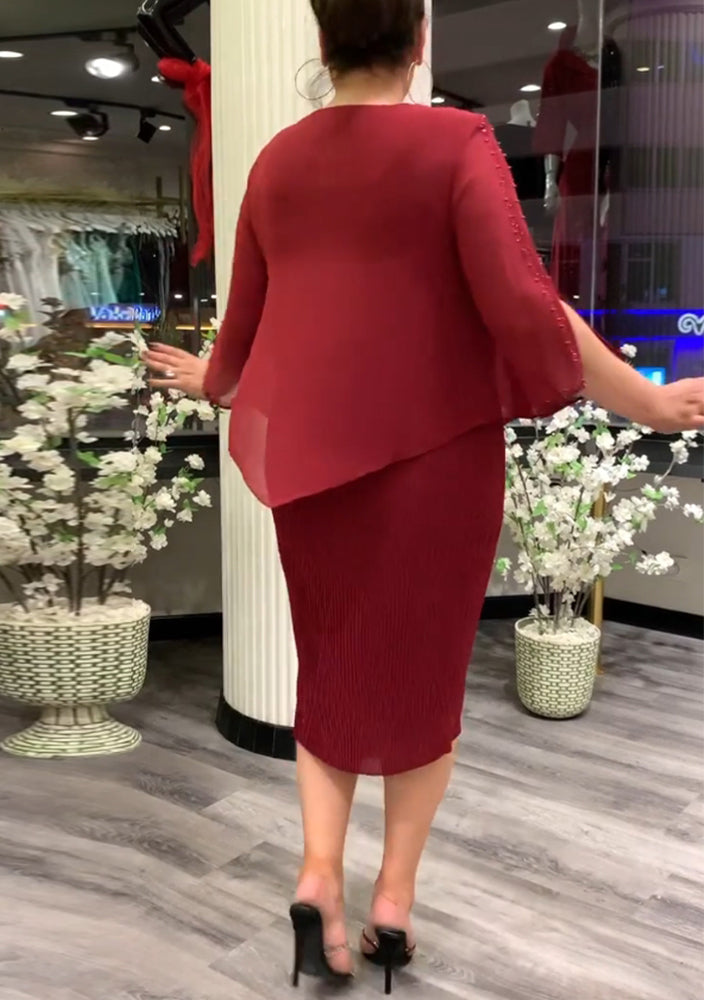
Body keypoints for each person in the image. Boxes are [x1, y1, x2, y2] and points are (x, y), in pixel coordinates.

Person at [143, 0, 704, 992]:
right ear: (416, 42)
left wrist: (214, 381)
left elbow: (247, 327)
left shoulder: (276, 162)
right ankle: (392, 902)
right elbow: (526, 306)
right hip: (435, 469)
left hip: (314, 476)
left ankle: (318, 876)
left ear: (323, 40)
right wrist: (646, 401)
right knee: (421, 693)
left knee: (331, 676)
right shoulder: (455, 144)